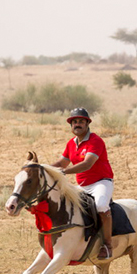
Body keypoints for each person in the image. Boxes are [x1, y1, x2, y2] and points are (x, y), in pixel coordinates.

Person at [51, 108, 115, 259]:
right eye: (74, 122)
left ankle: (108, 245)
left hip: (101, 182)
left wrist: (63, 172)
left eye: (81, 121)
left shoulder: (96, 141)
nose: (77, 124)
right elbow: (62, 162)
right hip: (83, 186)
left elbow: (87, 164)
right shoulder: (71, 144)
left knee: (100, 205)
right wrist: (43, 169)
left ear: (87, 124)